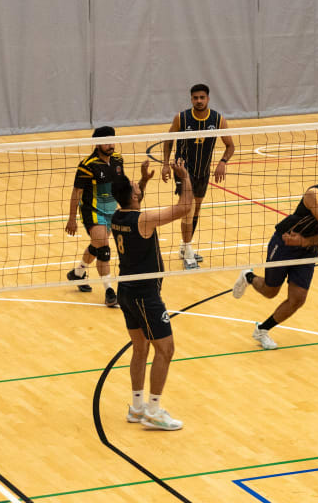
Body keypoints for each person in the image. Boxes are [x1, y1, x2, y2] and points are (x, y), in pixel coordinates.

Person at [232, 163, 318, 349]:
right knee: (271, 292)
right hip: (285, 242)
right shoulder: (315, 195)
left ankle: (262, 329)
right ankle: (248, 276)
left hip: (307, 248)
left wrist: (306, 243)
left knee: (298, 299)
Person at [110, 159, 195, 430]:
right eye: (137, 188)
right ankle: (154, 411)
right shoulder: (143, 220)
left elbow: (133, 202)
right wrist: (185, 178)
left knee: (140, 347)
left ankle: (136, 408)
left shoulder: (118, 216)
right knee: (166, 349)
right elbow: (184, 207)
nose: (139, 188)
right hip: (145, 294)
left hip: (125, 289)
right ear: (134, 196)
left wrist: (144, 182)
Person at [161, 84, 235, 270]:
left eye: (202, 97)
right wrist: (165, 164)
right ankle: (187, 252)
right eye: (195, 98)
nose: (199, 101)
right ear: (191, 99)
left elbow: (230, 146)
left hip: (203, 171)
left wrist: (222, 162)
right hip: (183, 169)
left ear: (208, 98)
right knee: (188, 208)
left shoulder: (217, 119)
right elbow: (169, 141)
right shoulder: (182, 118)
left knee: (196, 210)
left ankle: (184, 247)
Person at [66, 126, 123, 308]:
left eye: (112, 140)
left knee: (98, 244)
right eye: (106, 141)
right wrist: (72, 218)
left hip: (112, 211)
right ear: (97, 143)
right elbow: (77, 192)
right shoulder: (87, 165)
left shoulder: (117, 160)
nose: (110, 144)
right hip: (93, 211)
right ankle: (109, 291)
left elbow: (120, 185)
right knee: (104, 247)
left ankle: (78, 272)